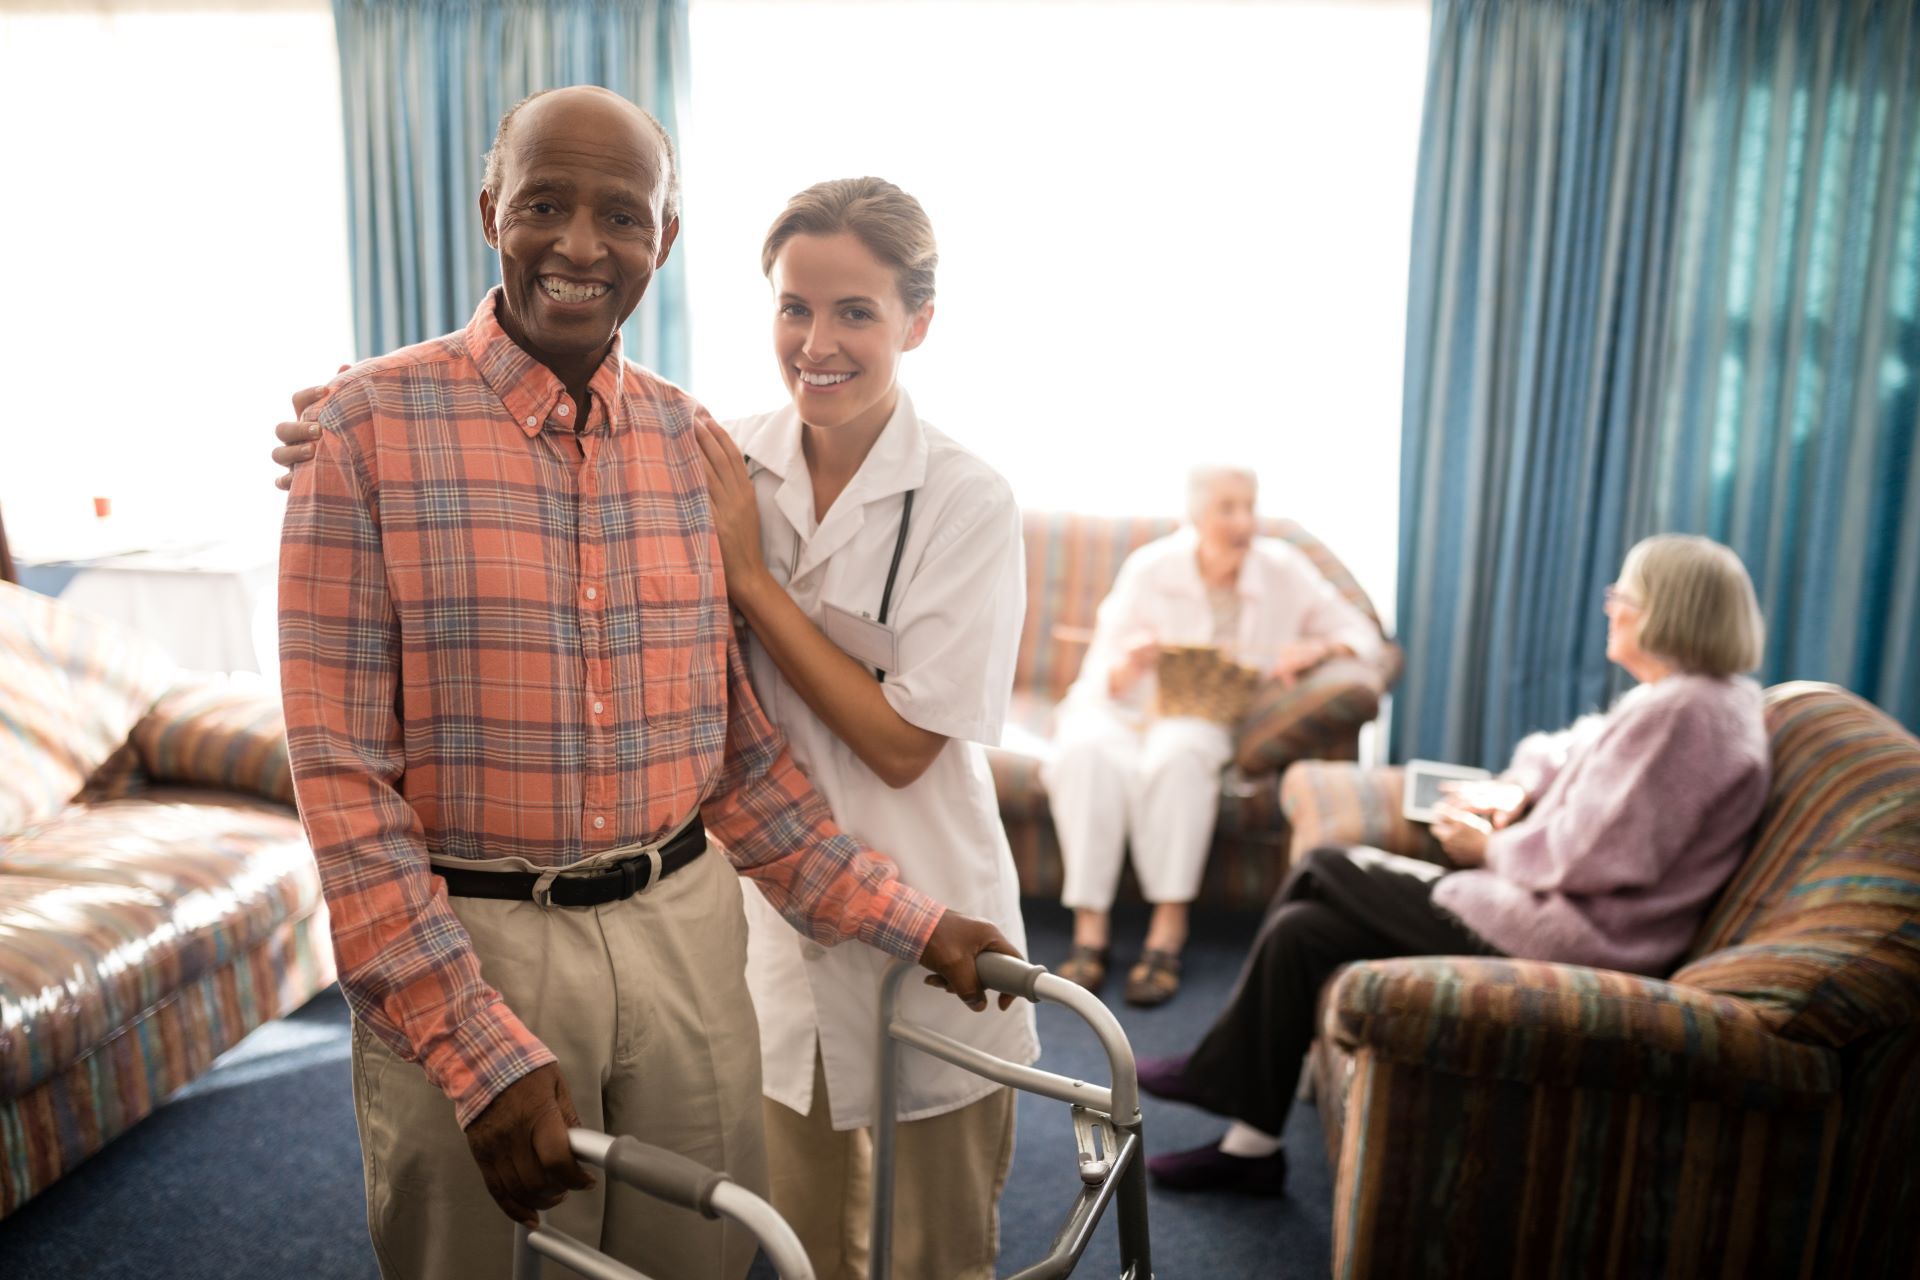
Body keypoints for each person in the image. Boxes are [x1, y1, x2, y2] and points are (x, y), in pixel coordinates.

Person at [275, 87, 1016, 1280]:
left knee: (703, 1258)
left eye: (621, 214)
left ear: (663, 240)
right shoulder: (363, 431)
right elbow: (341, 788)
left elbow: (737, 759)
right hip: (476, 938)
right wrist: (474, 1045)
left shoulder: (688, 448)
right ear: (487, 212)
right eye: (545, 204)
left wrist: (917, 922)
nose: (579, 244)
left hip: (688, 939)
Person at [1137, 533, 1771, 1195]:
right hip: (1555, 911)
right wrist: (1514, 789)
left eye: (1625, 598)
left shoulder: (1684, 716)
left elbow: (1594, 857)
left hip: (1580, 936)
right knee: (1304, 931)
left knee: (1326, 865)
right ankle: (1251, 1149)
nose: (1611, 608)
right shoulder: (1683, 699)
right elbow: (1563, 749)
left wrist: (1486, 848)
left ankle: (1220, 1069)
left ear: (1669, 611)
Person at [1044, 466, 1383, 1005]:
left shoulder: (1283, 569)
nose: (1242, 520)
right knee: (1085, 755)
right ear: (1197, 514)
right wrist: (1129, 663)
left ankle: (1167, 932)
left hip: (1201, 712)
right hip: (1124, 708)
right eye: (1227, 508)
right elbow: (1101, 672)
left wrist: (1315, 649)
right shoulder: (1151, 567)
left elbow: (1363, 634)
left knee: (1180, 758)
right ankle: (1090, 932)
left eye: (1249, 506)